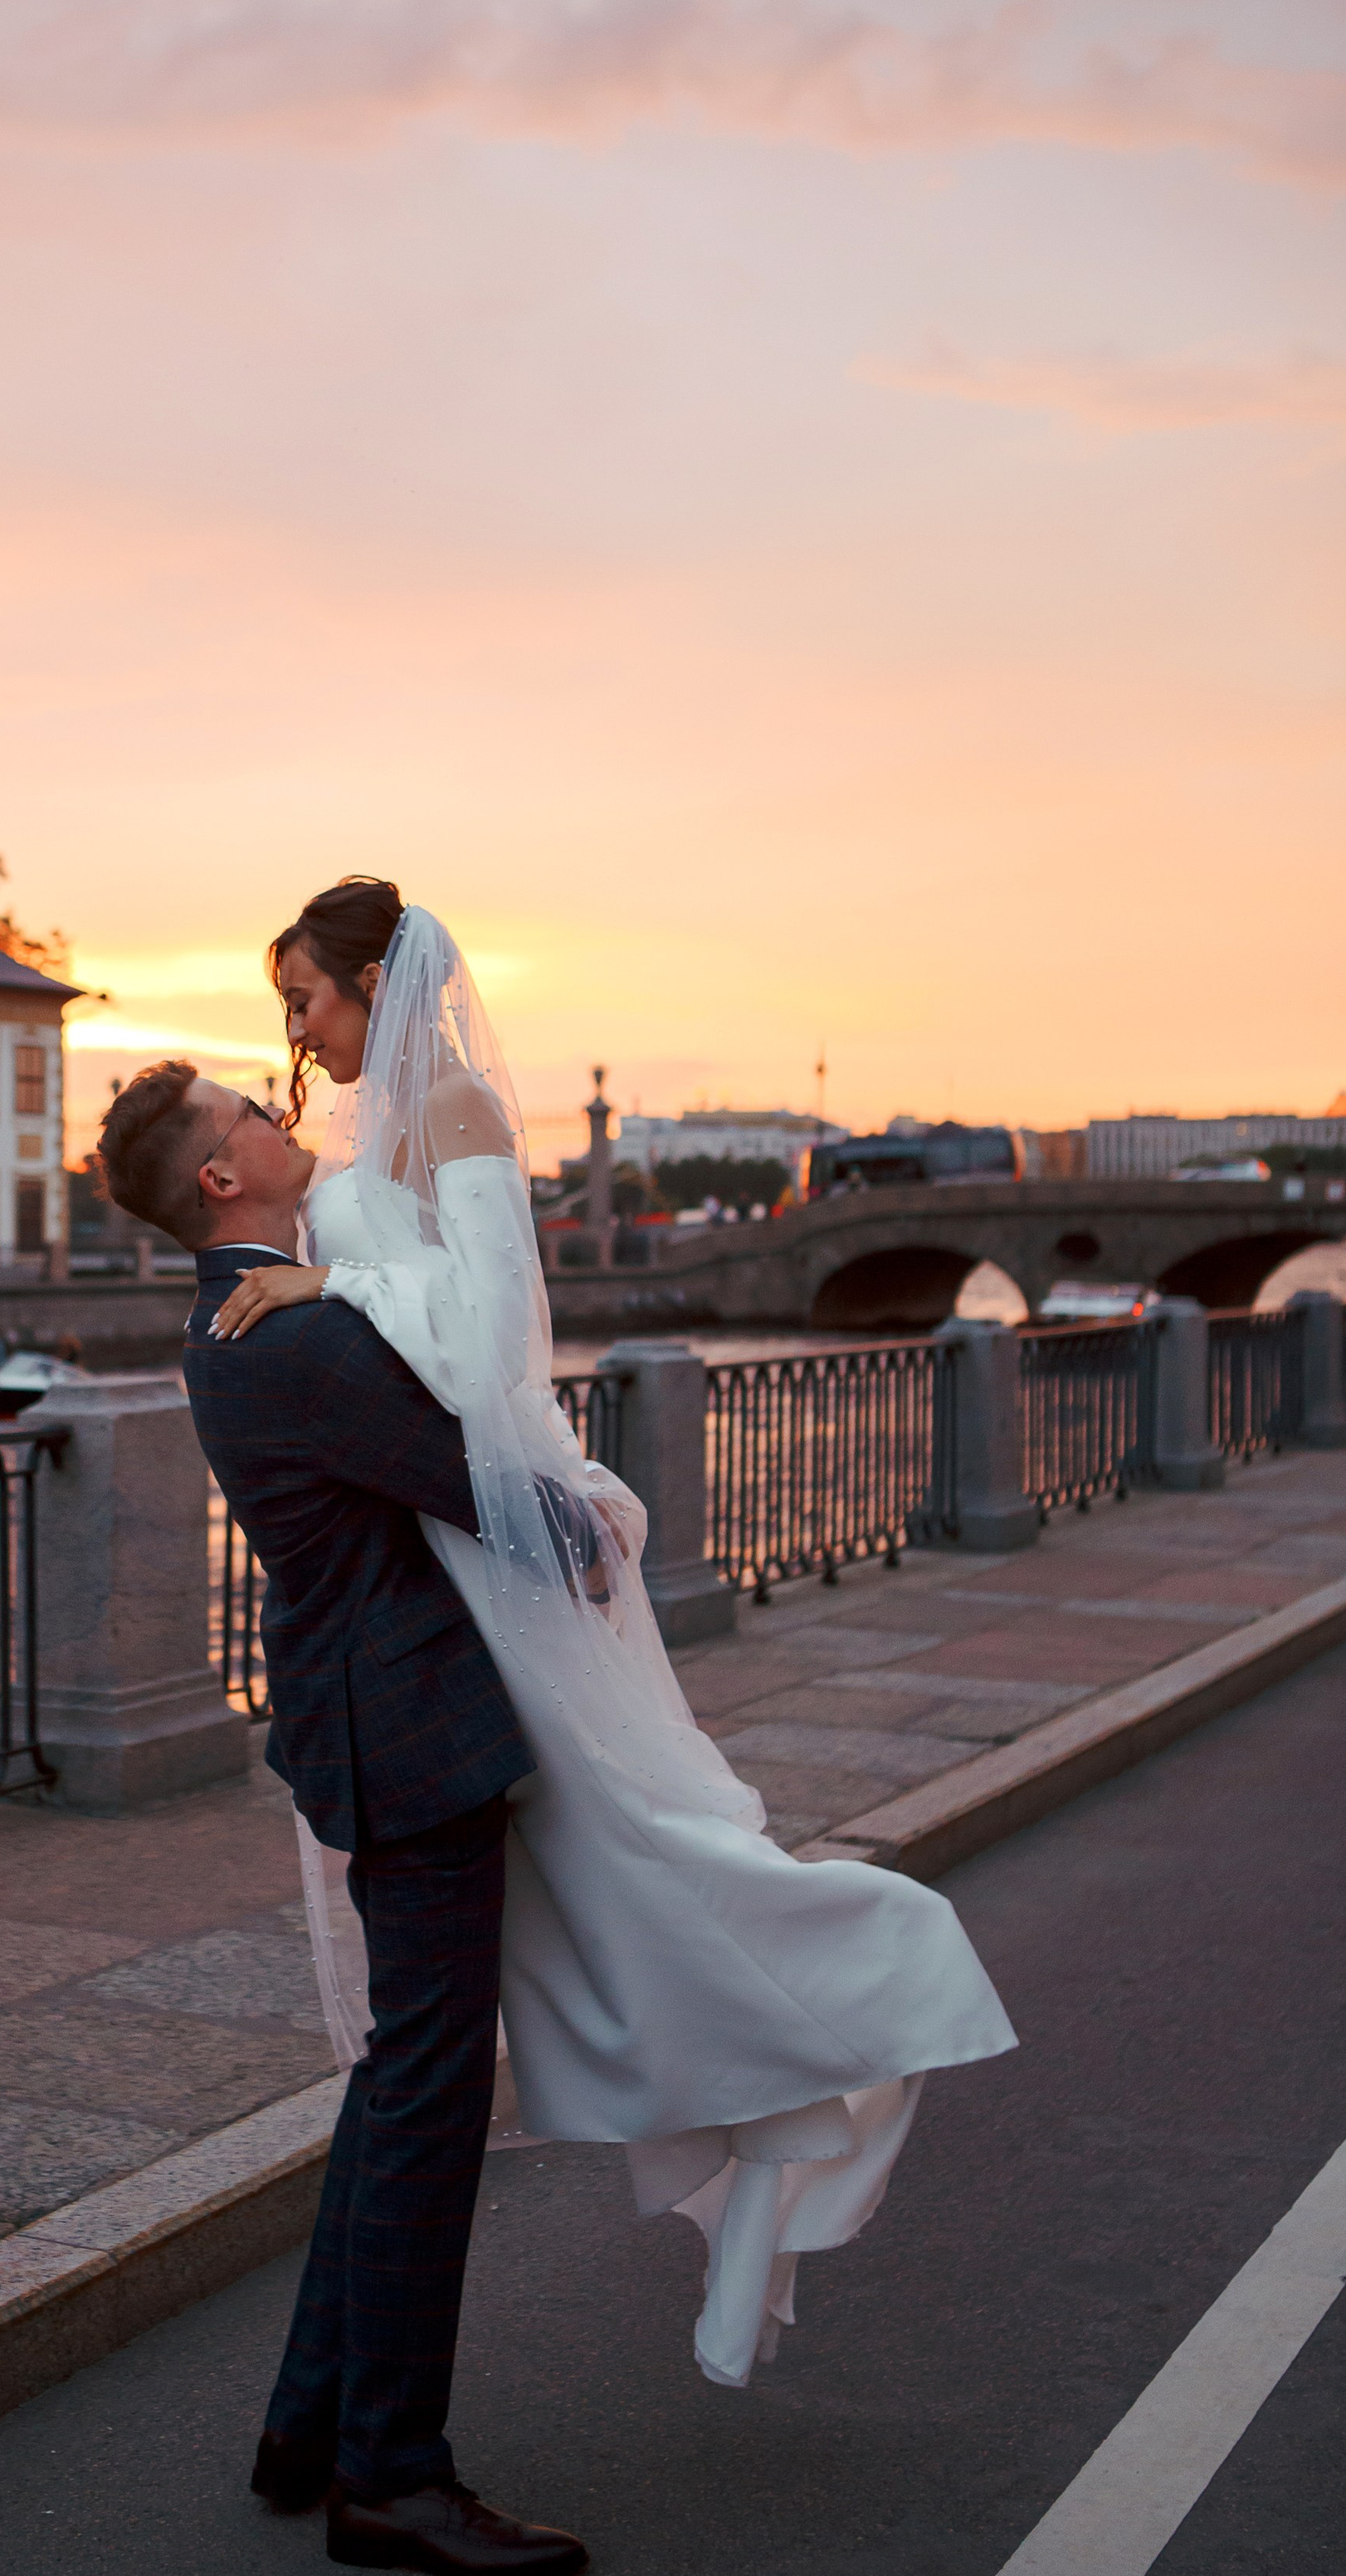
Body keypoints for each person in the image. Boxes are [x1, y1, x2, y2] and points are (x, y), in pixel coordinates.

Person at [208, 879, 1016, 2390]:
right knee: (578, 1898)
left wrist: (334, 1281)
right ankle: (746, 2134)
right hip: (444, 1558)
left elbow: (491, 1338)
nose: (297, 1034)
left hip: (494, 1546)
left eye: (307, 998)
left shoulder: (453, 1106)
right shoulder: (358, 1135)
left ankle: (871, 1981)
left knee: (630, 1849)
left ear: (378, 981)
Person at [99, 1064, 589, 2576]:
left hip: (368, 1718)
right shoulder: (297, 1335)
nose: (279, 1109)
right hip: (411, 1735)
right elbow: (487, 1488)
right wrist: (593, 1519)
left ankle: (311, 2420)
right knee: (431, 2104)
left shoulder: (246, 1316)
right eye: (250, 1109)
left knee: (399, 2082)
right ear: (221, 1179)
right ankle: (393, 2476)